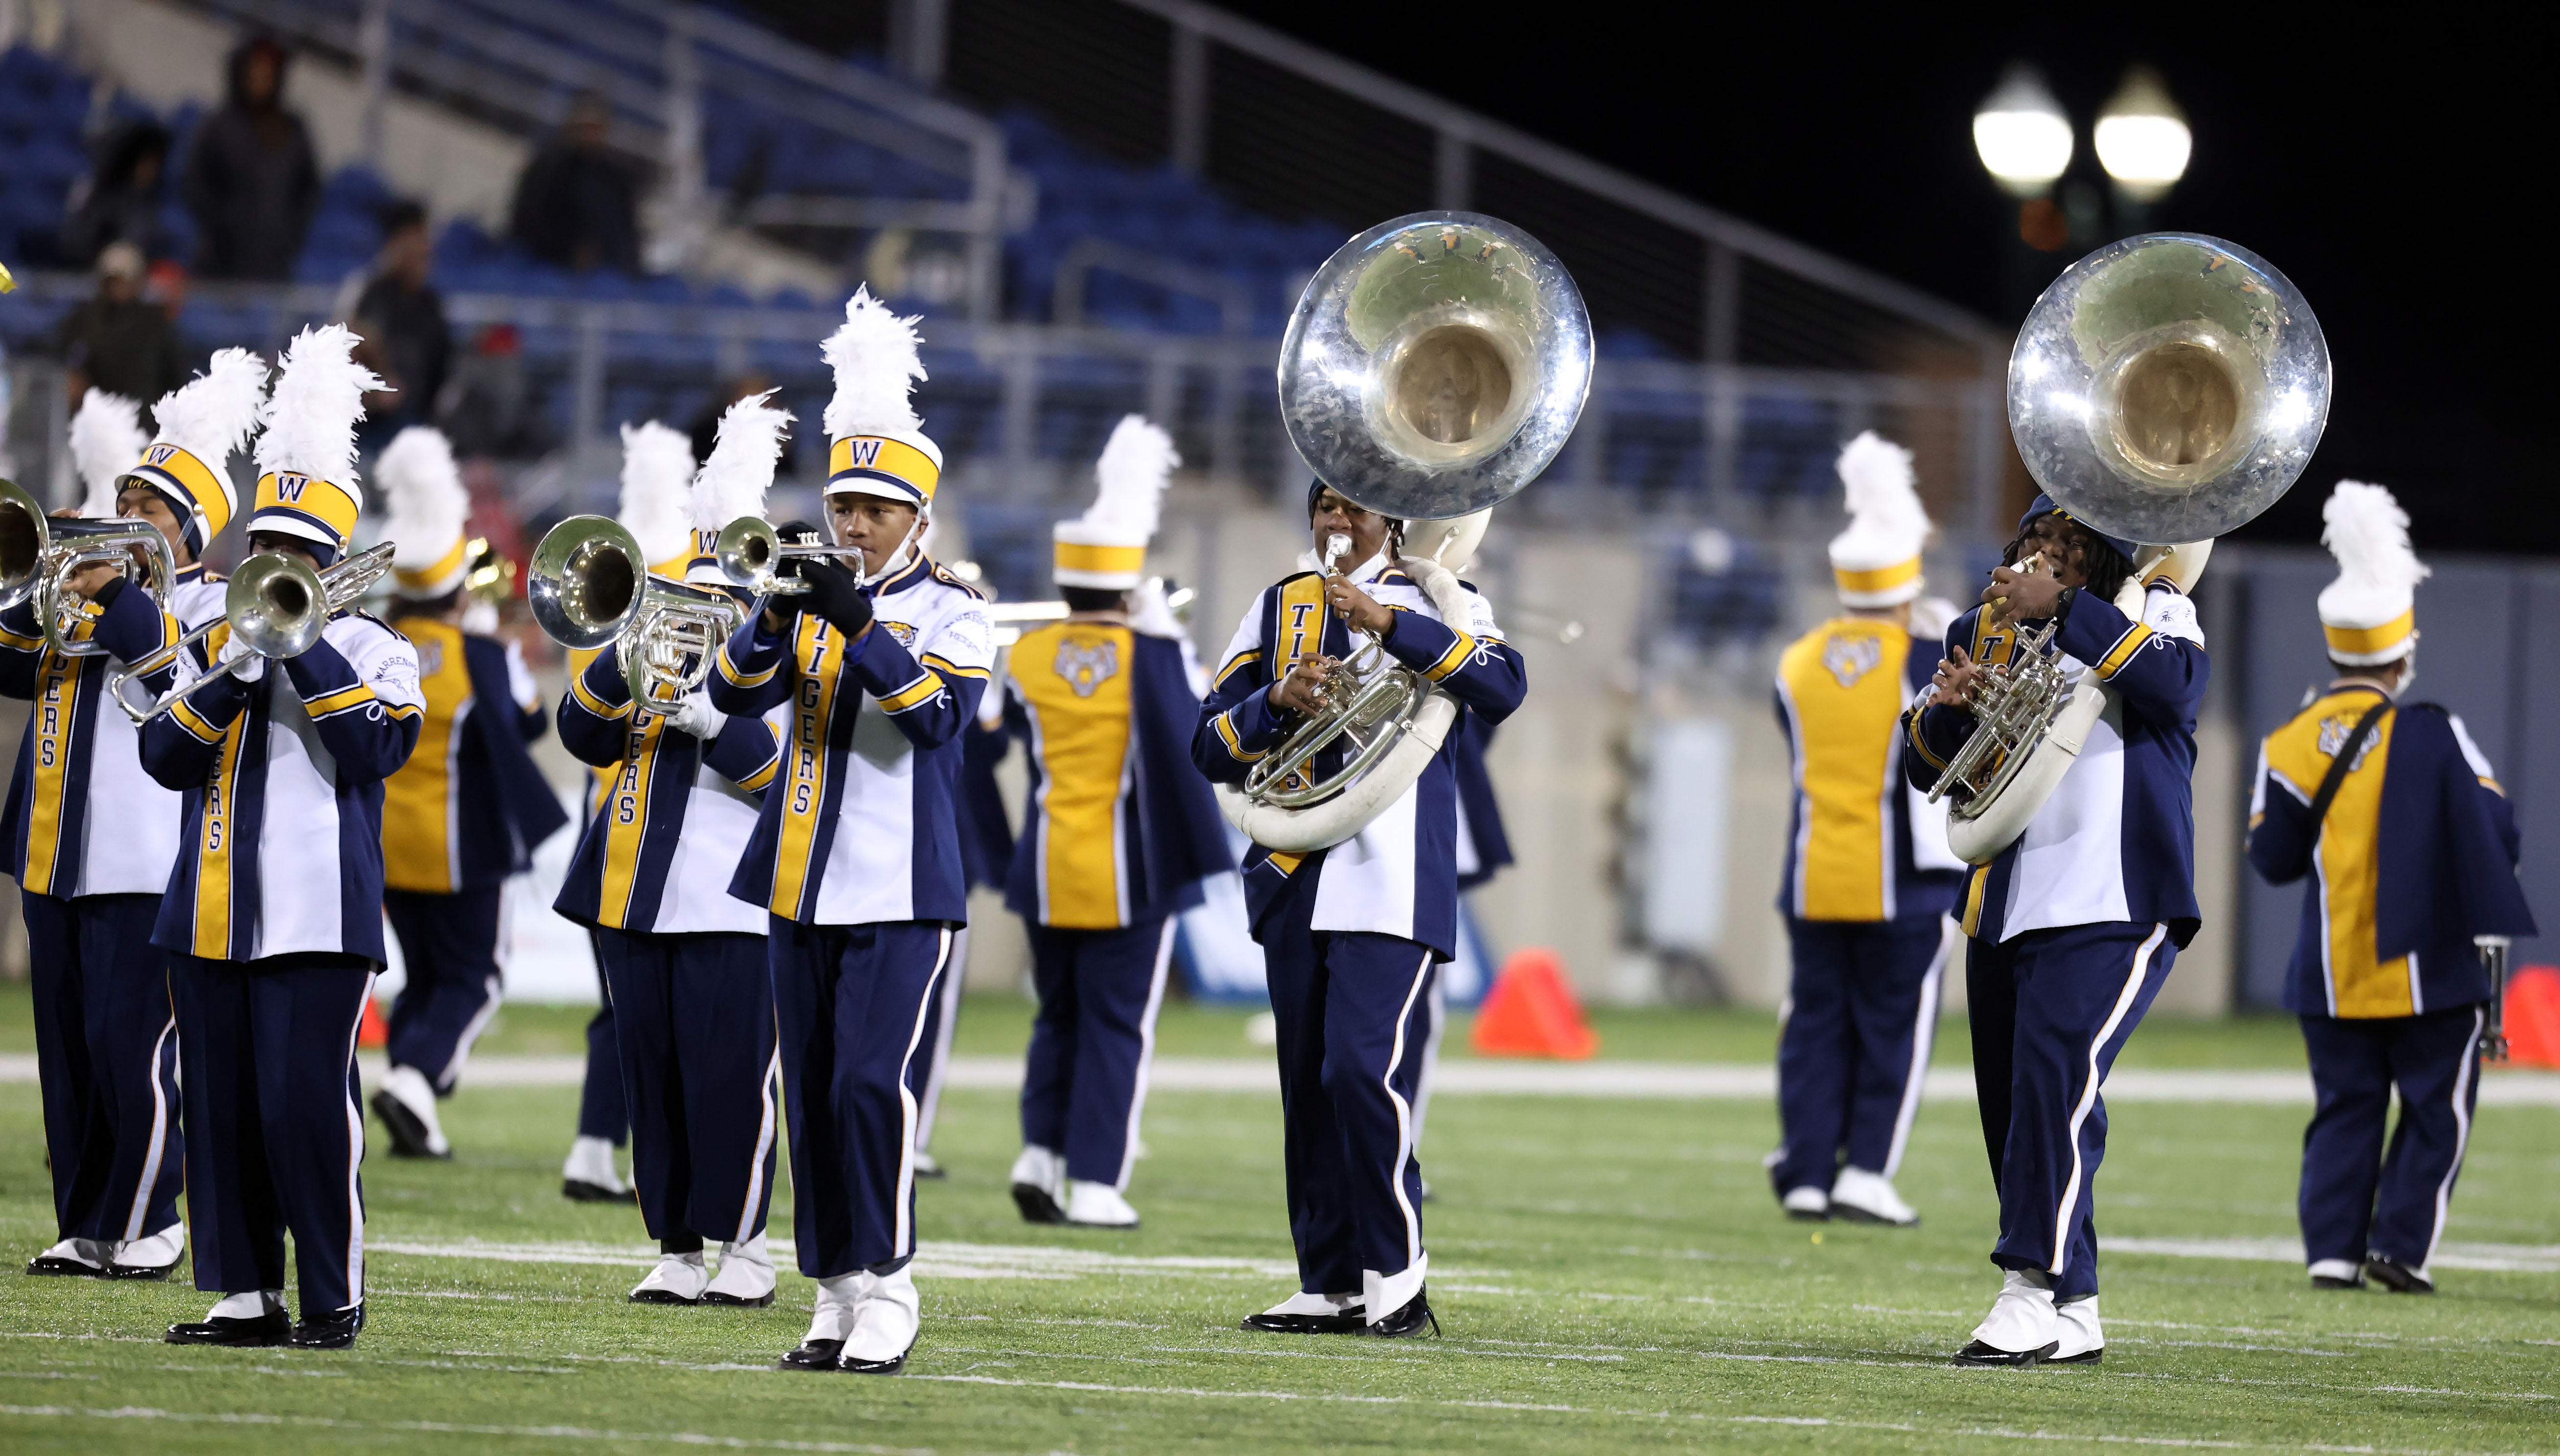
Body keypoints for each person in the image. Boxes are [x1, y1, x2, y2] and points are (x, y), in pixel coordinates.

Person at [706, 287, 990, 1375]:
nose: (853, 525)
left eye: (875, 509)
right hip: (796, 877)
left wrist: (857, 621)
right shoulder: (807, 590)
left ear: (918, 517)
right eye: (843, 506)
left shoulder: (953, 609)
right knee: (809, 1087)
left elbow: (935, 718)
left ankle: (892, 1280)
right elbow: (734, 699)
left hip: (900, 885)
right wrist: (776, 613)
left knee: (872, 1082)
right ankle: (833, 1287)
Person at [141, 325, 422, 1351]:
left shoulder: (377, 646)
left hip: (318, 913)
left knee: (304, 1111)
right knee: (216, 1109)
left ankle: (331, 1294)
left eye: (296, 556)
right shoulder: (212, 637)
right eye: (264, 550)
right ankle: (243, 1291)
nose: (274, 567)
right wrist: (235, 671)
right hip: (207, 905)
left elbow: (372, 750)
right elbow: (164, 756)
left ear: (331, 560)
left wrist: (298, 653)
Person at [1194, 481, 1527, 1339]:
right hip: (1292, 868)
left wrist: (1385, 625)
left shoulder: (1443, 597)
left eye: (1354, 508)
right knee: (1305, 1084)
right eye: (1324, 507)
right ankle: (1329, 1277)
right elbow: (1205, 742)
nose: (1336, 523)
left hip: (1392, 876)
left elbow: (1502, 685)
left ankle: (1397, 1271)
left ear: (1392, 521)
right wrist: (1273, 704)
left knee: (1358, 1070)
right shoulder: (1276, 607)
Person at [1904, 494, 2207, 1367]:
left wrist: (2069, 614)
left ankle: (2025, 1288)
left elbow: (2175, 691)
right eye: (2037, 535)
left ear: (2106, 557)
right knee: (2014, 1107)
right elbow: (1926, 765)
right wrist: (1950, 711)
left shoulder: (2155, 608)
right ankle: (2073, 1304)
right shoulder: (1979, 622)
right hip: (2002, 896)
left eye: (2072, 543)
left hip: (2112, 895)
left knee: (2053, 1084)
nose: (2048, 551)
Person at [2247, 481, 2536, 1296]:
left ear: (2333, 646)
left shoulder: (2288, 740)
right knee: (2433, 1111)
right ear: (2401, 652)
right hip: (2430, 972)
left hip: (2329, 974)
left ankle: (2329, 1253)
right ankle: (2399, 1247)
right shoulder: (2435, 730)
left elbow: (2268, 857)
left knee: (2341, 1109)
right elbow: (2498, 829)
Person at [5, 374, 243, 1283]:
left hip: (147, 862)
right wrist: (37, 580)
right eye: (125, 500)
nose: (128, 513)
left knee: (128, 1047)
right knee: (66, 1055)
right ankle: (86, 1219)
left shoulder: (216, 603)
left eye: (150, 507)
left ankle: (151, 1218)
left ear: (189, 530)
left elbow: (173, 686)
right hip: (53, 856)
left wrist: (116, 595)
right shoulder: (75, 600)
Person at [555, 404, 790, 1306]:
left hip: (735, 897)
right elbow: (581, 731)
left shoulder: (782, 658)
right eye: (689, 597)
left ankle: (749, 1245)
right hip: (635, 890)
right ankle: (678, 1244)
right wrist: (628, 654)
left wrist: (714, 722)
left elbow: (785, 774)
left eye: (720, 599)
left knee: (731, 1077)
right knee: (649, 1074)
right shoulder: (645, 640)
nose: (704, 615)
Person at [990, 416, 1230, 1230]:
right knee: (1117, 1026)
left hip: (1048, 862)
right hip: (1131, 865)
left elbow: (1009, 733)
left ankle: (1038, 1153)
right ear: (1129, 585)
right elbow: (1196, 728)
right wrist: (1159, 630)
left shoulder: (1021, 655)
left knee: (1055, 1014)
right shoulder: (1157, 654)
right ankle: (1094, 1178)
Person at [1767, 433, 1965, 1226]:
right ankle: (1867, 1171)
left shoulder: (1795, 658)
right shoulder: (1928, 654)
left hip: (1814, 871)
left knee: (1812, 1026)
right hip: (1906, 879)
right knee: (1892, 1029)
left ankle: (1808, 1171)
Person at [370, 426, 566, 1159]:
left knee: (425, 974)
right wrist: (491, 640)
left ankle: (415, 1104)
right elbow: (533, 721)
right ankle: (417, 1080)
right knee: (476, 977)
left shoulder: (376, 641)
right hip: (463, 844)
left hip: (389, 843)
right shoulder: (481, 651)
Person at [555, 420, 701, 1206]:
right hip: (634, 807)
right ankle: (611, 1153)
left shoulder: (616, 578)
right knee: (641, 1006)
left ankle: (595, 1146)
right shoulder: (632, 588)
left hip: (621, 800)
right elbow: (587, 724)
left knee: (623, 1003)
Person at [180, 36, 321, 282]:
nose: (262, 80)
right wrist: (224, 224)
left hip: (273, 266)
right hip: (221, 264)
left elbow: (308, 188)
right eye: (256, 71)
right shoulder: (218, 127)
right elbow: (196, 184)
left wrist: (289, 233)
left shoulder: (291, 129)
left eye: (270, 73)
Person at [509, 91, 641, 275]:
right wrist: (569, 250)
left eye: (597, 129)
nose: (591, 136)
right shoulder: (547, 170)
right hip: (549, 267)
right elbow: (529, 223)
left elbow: (626, 232)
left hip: (605, 272)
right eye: (585, 128)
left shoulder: (614, 177)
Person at [48, 243, 187, 414]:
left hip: (144, 420)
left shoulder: (156, 326)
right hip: (94, 420)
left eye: (123, 280)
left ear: (137, 281)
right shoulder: (82, 321)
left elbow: (174, 378)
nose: (117, 288)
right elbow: (63, 363)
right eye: (111, 281)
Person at [352, 203, 453, 436]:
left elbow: (442, 359)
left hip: (417, 411)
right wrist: (383, 382)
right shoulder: (370, 292)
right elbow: (358, 338)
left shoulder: (430, 303)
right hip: (372, 412)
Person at [60, 121, 176, 268]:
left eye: (155, 164)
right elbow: (76, 244)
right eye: (146, 163)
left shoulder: (151, 202)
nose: (150, 171)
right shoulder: (100, 201)